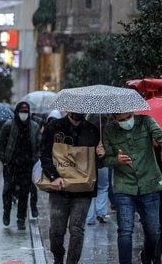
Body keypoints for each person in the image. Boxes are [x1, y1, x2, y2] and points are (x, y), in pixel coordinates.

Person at [40, 112, 100, 264]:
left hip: (83, 190)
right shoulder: (53, 127)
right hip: (59, 189)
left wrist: (101, 155)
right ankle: (58, 257)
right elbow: (45, 155)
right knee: (56, 231)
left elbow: (97, 164)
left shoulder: (93, 130)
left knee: (77, 229)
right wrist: (54, 176)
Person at [102, 112, 162, 264]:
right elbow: (106, 160)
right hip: (124, 187)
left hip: (150, 185)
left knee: (153, 231)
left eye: (128, 117)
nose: (126, 121)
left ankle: (147, 256)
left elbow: (159, 135)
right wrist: (116, 160)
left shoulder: (146, 121)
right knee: (125, 231)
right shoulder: (109, 130)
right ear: (115, 119)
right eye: (121, 119)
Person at [0, 101, 41, 229]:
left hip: (27, 166)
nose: (24, 114)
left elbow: (39, 145)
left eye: (26, 112)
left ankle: (21, 218)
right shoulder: (8, 126)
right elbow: (1, 143)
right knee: (7, 190)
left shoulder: (34, 127)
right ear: (17, 112)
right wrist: (4, 159)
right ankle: (6, 211)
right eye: (22, 112)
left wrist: (35, 158)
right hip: (11, 165)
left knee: (24, 193)